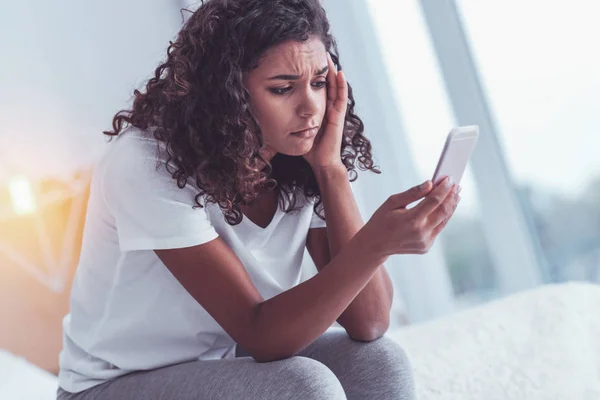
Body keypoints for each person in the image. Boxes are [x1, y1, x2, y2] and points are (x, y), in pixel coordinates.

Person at [56, 0, 460, 399]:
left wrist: (331, 172)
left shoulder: (301, 158)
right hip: (111, 385)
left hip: (223, 358)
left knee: (379, 363)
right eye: (282, 89)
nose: (310, 109)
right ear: (227, 94)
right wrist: (374, 244)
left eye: (319, 83)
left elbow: (368, 323)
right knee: (303, 388)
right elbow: (261, 333)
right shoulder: (147, 162)